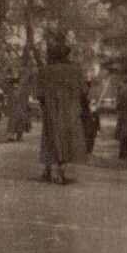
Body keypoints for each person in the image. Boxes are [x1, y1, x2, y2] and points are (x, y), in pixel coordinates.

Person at [37, 34, 86, 184]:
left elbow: (40, 94)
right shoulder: (75, 70)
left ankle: (47, 169)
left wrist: (46, 104)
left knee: (49, 136)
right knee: (65, 138)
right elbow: (83, 91)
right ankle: (61, 170)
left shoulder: (45, 71)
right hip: (70, 109)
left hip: (51, 108)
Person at [6, 73, 31, 142]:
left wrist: (25, 108)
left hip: (20, 108)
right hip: (13, 109)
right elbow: (9, 101)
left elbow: (25, 100)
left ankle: (19, 136)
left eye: (16, 83)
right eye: (14, 83)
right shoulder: (10, 91)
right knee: (12, 123)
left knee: (20, 122)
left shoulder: (22, 91)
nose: (15, 84)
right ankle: (11, 137)